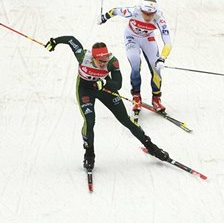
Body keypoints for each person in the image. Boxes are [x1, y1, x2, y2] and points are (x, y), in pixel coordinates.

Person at [44, 36, 170, 170]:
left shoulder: (112, 62)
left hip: (105, 89)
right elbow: (71, 40)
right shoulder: (82, 56)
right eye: (100, 61)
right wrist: (54, 42)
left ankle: (151, 147)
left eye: (105, 60)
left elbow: (118, 84)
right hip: (85, 90)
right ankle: (89, 154)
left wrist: (104, 83)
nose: (103, 63)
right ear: (93, 57)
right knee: (90, 121)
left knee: (126, 120)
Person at [98, 0, 172, 121]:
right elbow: (115, 11)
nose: (148, 16)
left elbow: (168, 42)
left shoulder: (160, 18)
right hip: (131, 37)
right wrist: (104, 17)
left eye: (151, 14)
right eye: (145, 13)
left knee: (156, 68)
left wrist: (162, 58)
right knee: (135, 63)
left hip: (148, 39)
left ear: (155, 12)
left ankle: (156, 99)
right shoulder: (133, 11)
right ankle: (136, 96)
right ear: (140, 9)